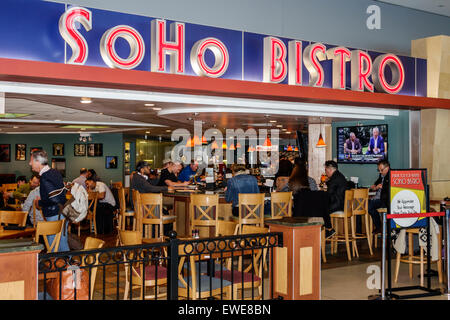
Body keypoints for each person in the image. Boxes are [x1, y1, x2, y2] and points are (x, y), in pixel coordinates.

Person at [29, 150, 69, 251]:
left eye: (31, 161)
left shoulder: (45, 177)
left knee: (54, 247)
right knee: (62, 244)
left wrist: (39, 203)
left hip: (54, 214)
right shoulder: (55, 172)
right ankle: (67, 265)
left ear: (38, 162)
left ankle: (63, 265)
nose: (30, 164)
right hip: (62, 212)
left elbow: (54, 199)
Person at [324, 160, 348, 238]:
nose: (325, 172)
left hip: (338, 204)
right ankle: (328, 229)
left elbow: (329, 193)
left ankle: (329, 230)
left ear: (330, 169)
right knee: (322, 208)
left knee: (321, 209)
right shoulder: (338, 176)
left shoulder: (335, 178)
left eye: (326, 170)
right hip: (342, 203)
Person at [368, 160, 390, 234]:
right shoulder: (381, 176)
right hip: (377, 198)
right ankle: (359, 231)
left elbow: (390, 190)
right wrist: (374, 187)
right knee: (365, 204)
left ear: (387, 168)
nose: (380, 172)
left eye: (381, 170)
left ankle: (378, 227)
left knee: (369, 206)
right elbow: (375, 184)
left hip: (384, 200)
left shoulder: (391, 175)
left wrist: (381, 187)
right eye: (379, 170)